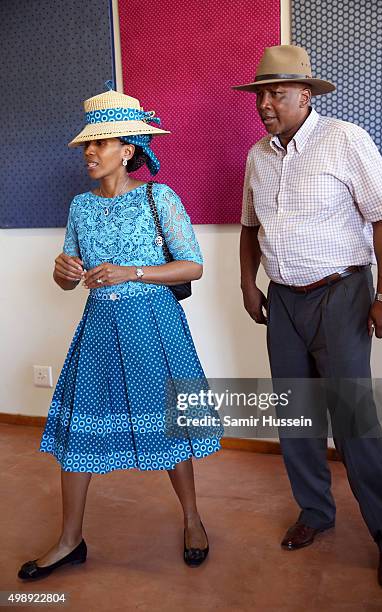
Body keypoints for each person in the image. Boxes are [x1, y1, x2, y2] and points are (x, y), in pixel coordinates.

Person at [18, 84, 223, 580]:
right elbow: (68, 274)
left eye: (101, 143)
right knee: (76, 430)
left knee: (172, 423)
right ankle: (70, 540)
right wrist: (63, 273)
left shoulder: (160, 197)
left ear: (127, 149)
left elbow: (192, 267)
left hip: (154, 326)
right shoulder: (80, 207)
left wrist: (131, 272)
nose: (89, 151)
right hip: (99, 327)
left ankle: (192, 519)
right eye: (88, 143)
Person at [234, 45, 382, 589]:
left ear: (305, 94)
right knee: (296, 416)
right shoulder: (257, 156)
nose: (266, 103)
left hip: (343, 294)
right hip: (284, 298)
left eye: (277, 93)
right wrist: (248, 282)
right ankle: (315, 512)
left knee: (354, 420)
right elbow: (249, 227)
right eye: (261, 94)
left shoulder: (346, 140)